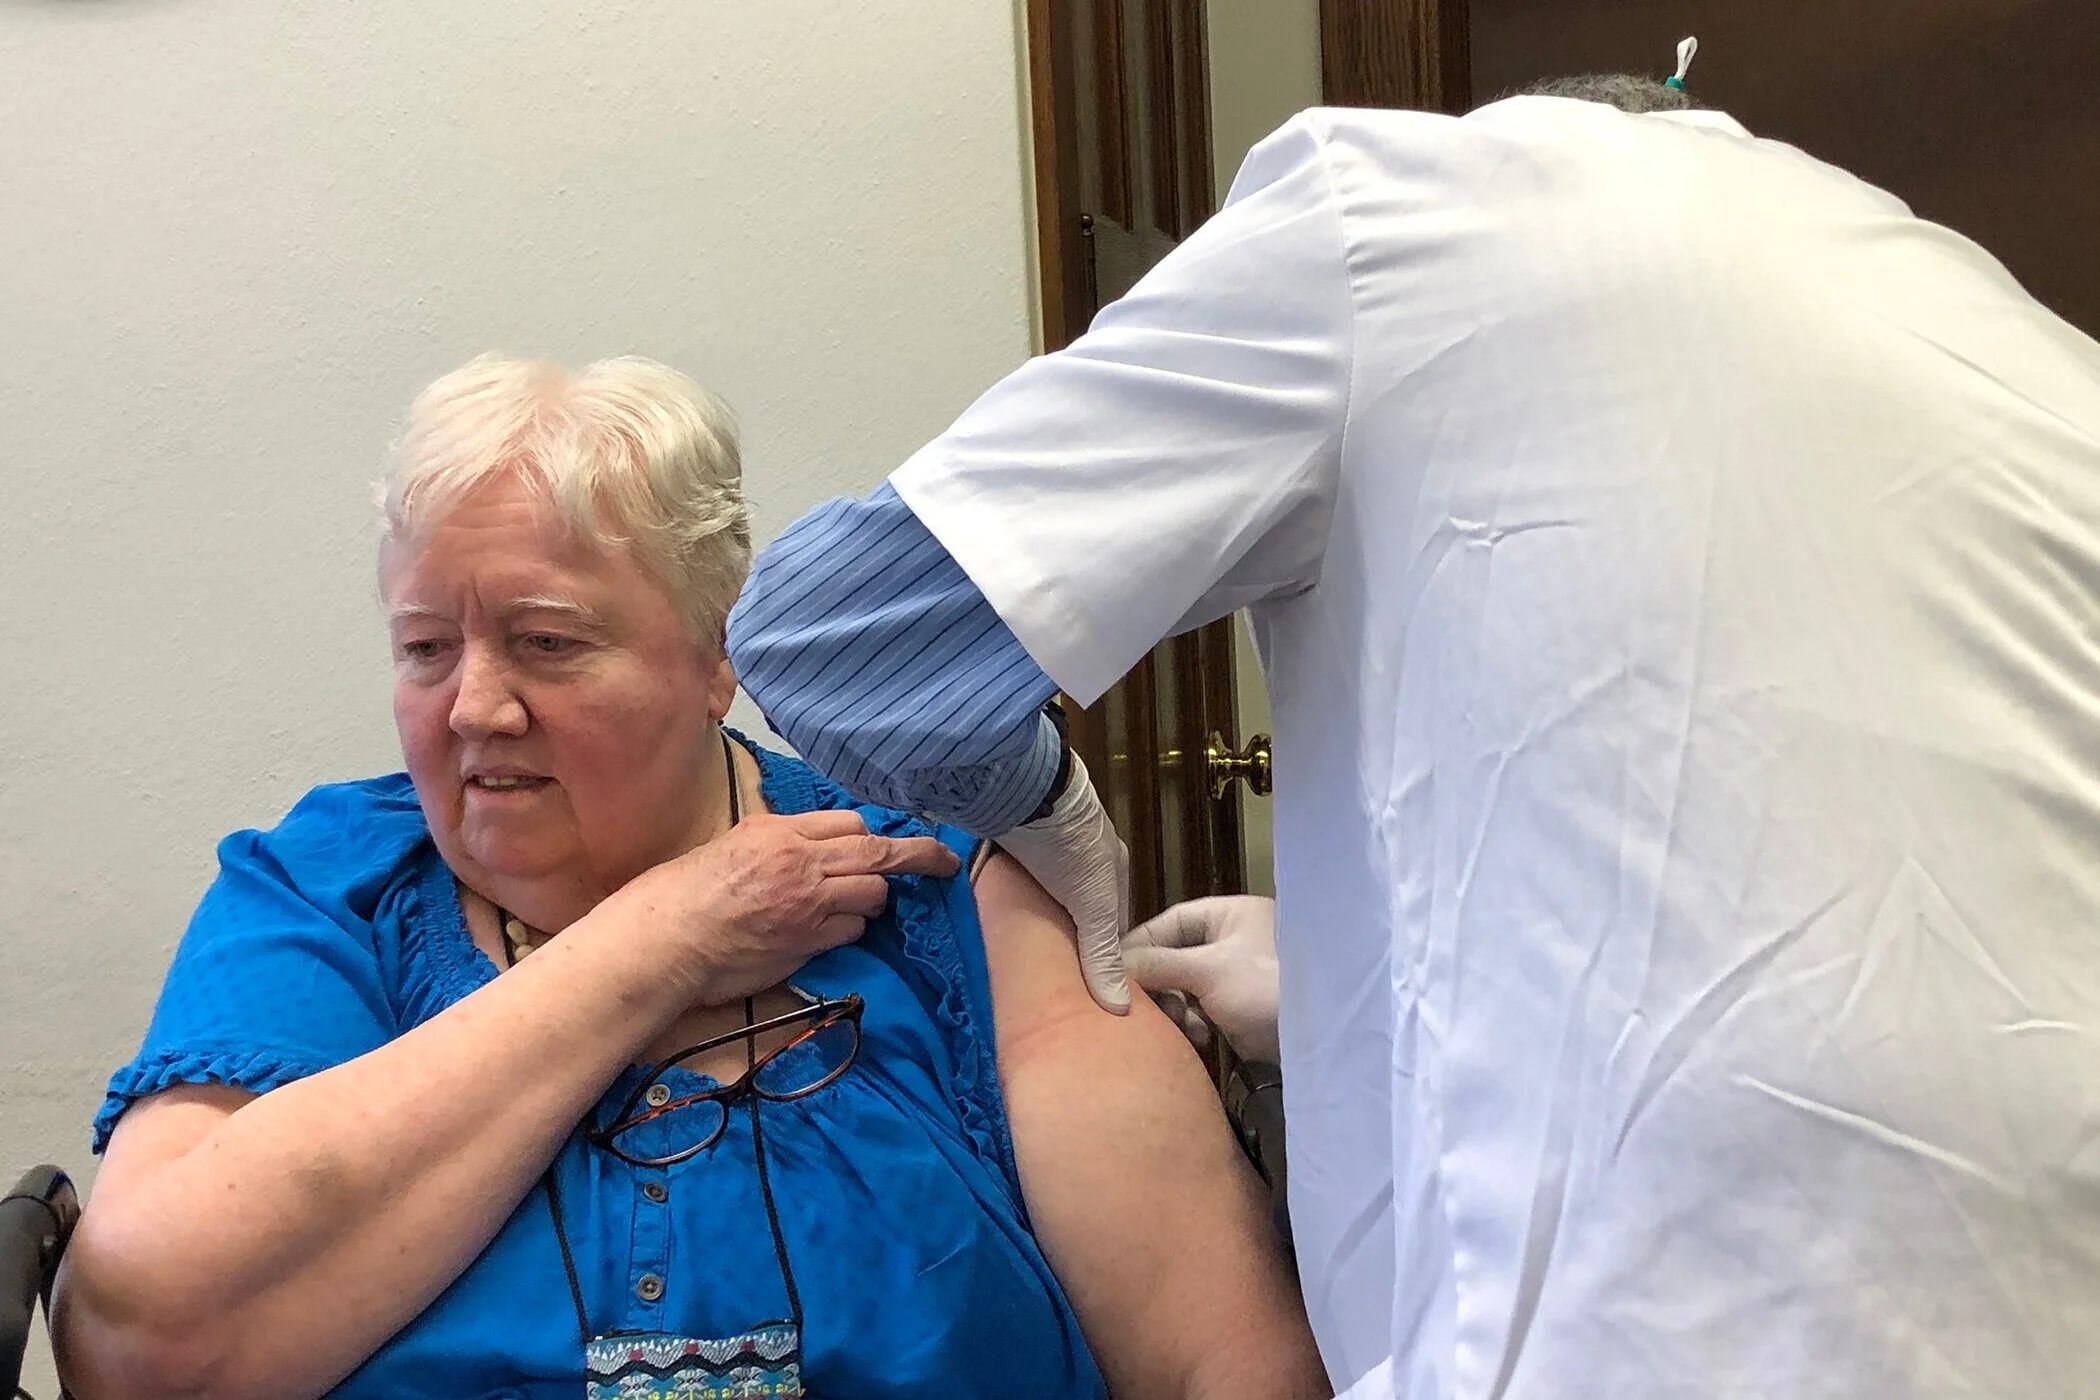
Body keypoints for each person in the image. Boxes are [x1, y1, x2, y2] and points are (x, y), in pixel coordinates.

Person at [726, 68, 2100, 1400]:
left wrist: (1058, 821)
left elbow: (841, 642)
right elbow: (1813, 868)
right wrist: (1345, 993)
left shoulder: (1407, 219)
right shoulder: (2021, 351)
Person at [52, 355, 1325, 1400]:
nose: (475, 706)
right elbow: (142, 1341)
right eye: (425, 647)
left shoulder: (941, 887)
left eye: (548, 643)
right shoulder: (323, 893)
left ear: (718, 655)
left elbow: (1226, 1360)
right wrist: (660, 937)